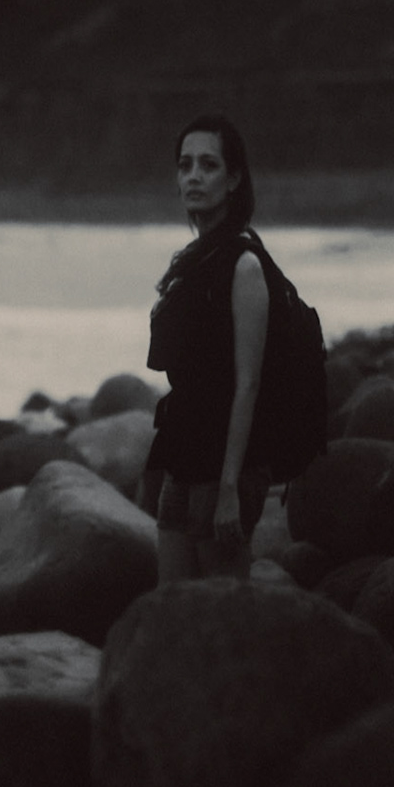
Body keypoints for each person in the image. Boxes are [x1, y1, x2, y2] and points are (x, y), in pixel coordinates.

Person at [140, 114, 272, 583]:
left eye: (208, 165)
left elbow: (249, 383)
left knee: (223, 625)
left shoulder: (245, 265)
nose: (193, 175)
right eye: (185, 165)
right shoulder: (194, 261)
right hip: (183, 459)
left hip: (225, 469)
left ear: (234, 178)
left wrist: (231, 488)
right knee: (173, 615)